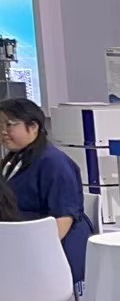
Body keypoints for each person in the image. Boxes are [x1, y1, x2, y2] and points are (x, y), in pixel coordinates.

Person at [0, 98, 91, 286]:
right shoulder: (15, 159)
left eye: (9, 125)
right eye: (0, 126)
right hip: (18, 243)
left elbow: (64, 218)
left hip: (49, 252)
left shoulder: (54, 163)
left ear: (33, 127)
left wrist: (35, 253)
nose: (3, 132)